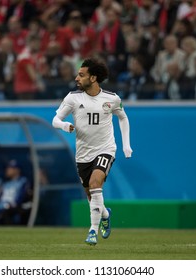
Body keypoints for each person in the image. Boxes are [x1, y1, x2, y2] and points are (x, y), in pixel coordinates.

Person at [52, 58, 132, 246]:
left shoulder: (112, 99)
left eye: (81, 75)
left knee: (96, 182)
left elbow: (123, 118)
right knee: (92, 195)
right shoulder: (73, 98)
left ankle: (92, 231)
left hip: (105, 149)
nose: (76, 78)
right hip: (83, 154)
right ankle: (105, 214)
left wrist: (126, 145)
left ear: (93, 78)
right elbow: (55, 119)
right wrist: (64, 125)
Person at [0, 159, 31, 225]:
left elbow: (21, 197)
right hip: (1, 205)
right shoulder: (5, 183)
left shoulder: (23, 182)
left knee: (4, 211)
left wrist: (12, 204)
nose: (7, 170)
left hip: (13, 207)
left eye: (10, 168)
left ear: (17, 170)